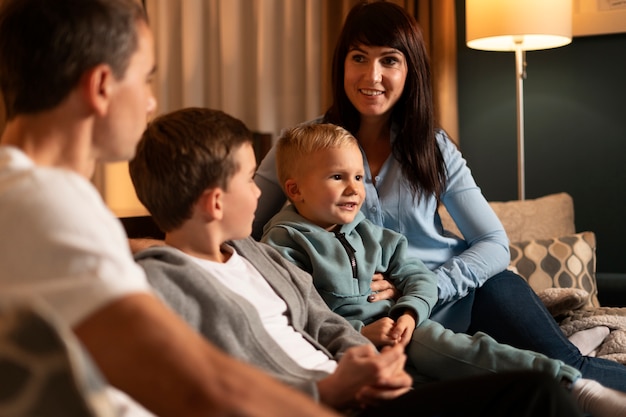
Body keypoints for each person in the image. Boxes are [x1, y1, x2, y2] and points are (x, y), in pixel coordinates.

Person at [251, 0, 626, 392]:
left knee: (568, 369)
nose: (372, 75)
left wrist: (425, 285)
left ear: (410, 69)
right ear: (341, 64)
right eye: (359, 57)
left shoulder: (432, 146)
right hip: (379, 323)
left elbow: (495, 244)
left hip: (467, 298)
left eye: (389, 60)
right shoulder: (300, 147)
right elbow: (242, 229)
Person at [128, 106, 586, 417]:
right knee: (535, 395)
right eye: (249, 180)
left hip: (373, 386)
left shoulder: (257, 256)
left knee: (536, 391)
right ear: (214, 202)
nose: (258, 192)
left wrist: (370, 361)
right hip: (326, 404)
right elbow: (207, 391)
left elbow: (323, 322)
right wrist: (327, 390)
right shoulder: (166, 285)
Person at [0, 1, 340, 416]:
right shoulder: (47, 204)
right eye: (145, 79)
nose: (150, 102)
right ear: (101, 86)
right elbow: (203, 391)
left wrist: (128, 246)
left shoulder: (27, 200)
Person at [260, 122, 626, 417]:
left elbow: (417, 273)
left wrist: (408, 311)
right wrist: (361, 332)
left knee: (470, 350)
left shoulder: (371, 232)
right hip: (355, 342)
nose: (355, 189)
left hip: (413, 324)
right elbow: (298, 313)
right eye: (337, 177)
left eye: (358, 177)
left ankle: (574, 385)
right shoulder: (285, 242)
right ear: (294, 189)